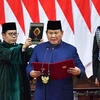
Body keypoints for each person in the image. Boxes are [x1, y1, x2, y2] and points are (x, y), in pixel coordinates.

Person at [26, 20, 85, 100]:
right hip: (42, 92)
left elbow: (81, 69)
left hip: (62, 93)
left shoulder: (70, 49)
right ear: (46, 33)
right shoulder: (38, 48)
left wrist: (78, 71)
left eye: (56, 33)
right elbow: (29, 67)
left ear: (62, 33)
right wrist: (31, 73)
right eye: (50, 33)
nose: (53, 36)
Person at [0, 22, 34, 100]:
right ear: (3, 35)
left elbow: (33, 55)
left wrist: (40, 46)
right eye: (10, 34)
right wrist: (23, 47)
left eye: (15, 34)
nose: (14, 36)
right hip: (6, 86)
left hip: (21, 85)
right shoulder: (1, 48)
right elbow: (9, 54)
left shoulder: (21, 47)